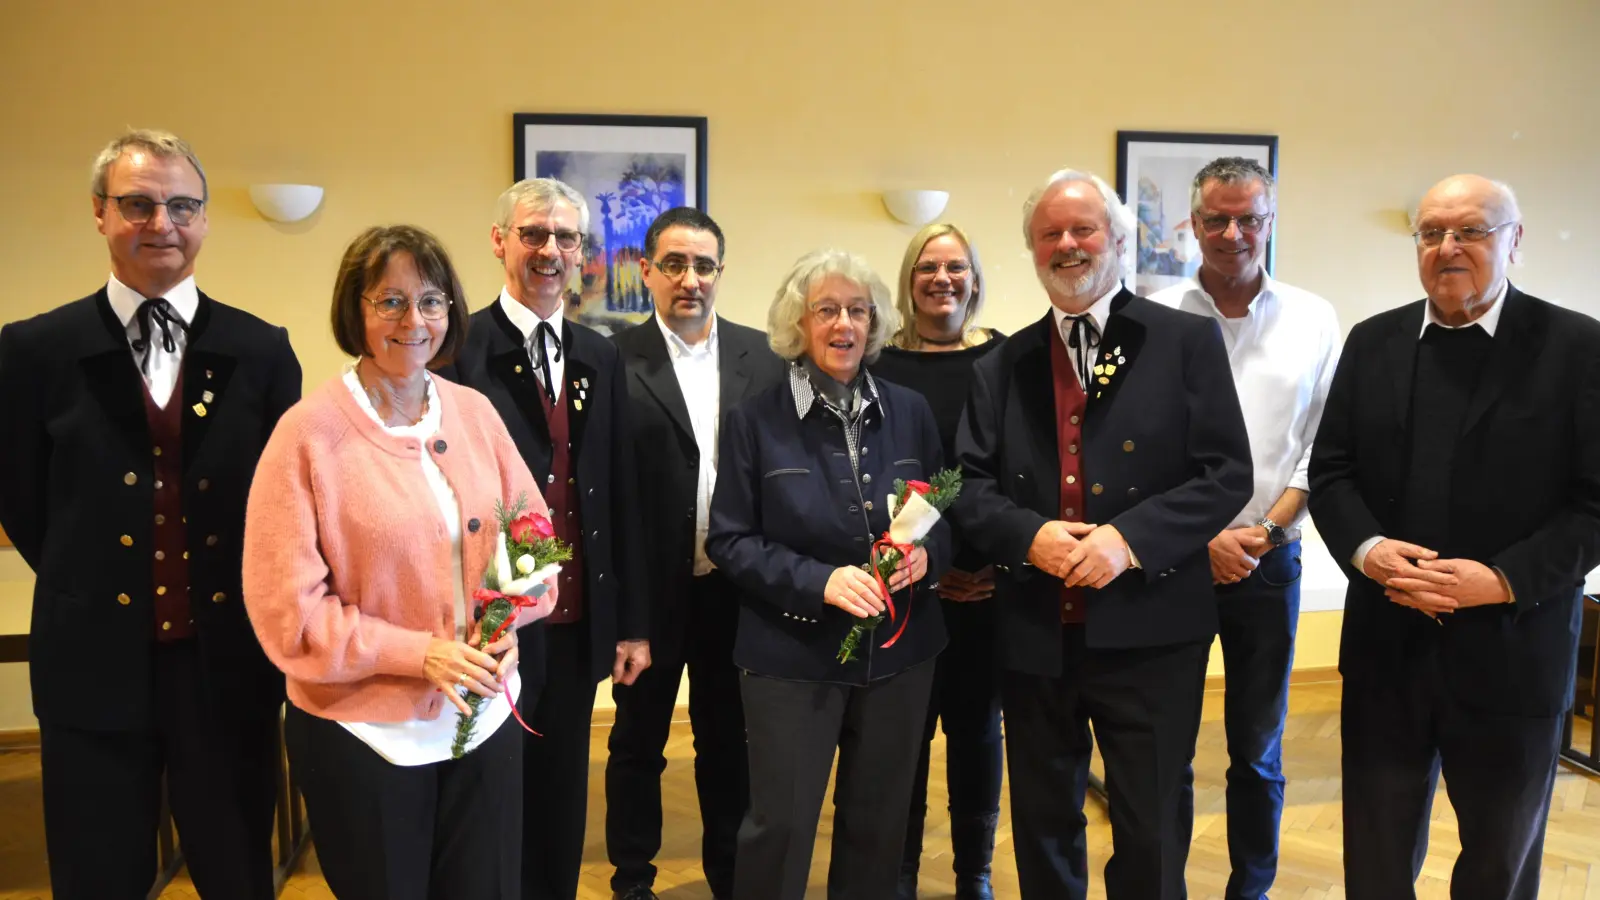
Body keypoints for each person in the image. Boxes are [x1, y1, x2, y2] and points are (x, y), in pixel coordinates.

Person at [0, 129, 301, 900]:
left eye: (181, 206)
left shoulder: (262, 351)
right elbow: (25, 503)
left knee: (238, 872)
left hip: (227, 664)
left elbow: (281, 511)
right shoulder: (33, 352)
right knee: (97, 875)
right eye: (137, 204)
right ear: (100, 214)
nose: (161, 223)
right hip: (89, 665)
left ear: (203, 220)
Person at [953, 168, 1253, 899]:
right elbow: (963, 484)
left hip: (1153, 630)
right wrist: (1028, 537)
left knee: (1150, 818)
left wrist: (1127, 541)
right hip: (1035, 634)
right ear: (1031, 250)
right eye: (1049, 234)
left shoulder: (1185, 342)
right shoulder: (1001, 363)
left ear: (1118, 240)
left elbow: (1225, 473)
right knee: (1043, 816)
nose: (1067, 245)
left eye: (1083, 229)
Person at [1308, 174, 1600, 900]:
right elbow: (1333, 472)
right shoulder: (1373, 340)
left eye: (1470, 231)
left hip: (1514, 649)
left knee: (1499, 863)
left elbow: (1595, 504)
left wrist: (1501, 580)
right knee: (1373, 861)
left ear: (1515, 240)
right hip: (1387, 647)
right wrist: (1370, 552)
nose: (1447, 248)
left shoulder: (1578, 347)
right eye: (1431, 233)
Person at [242, 225, 556, 900]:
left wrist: (504, 624)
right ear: (354, 310)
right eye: (391, 302)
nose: (414, 321)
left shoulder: (473, 412)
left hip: (485, 720)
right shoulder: (306, 434)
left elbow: (534, 538)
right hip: (366, 735)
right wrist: (422, 655)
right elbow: (287, 614)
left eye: (432, 301)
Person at [705, 249, 950, 900]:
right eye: (827, 310)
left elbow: (941, 513)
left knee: (879, 825)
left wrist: (928, 560)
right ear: (799, 323)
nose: (844, 324)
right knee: (780, 828)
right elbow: (729, 539)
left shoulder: (911, 410)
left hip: (901, 656)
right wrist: (820, 581)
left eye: (858, 310)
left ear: (875, 322)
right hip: (790, 656)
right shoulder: (754, 420)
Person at [441, 177, 649, 900]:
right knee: (487, 798)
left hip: (572, 619)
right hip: (487, 625)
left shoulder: (602, 355)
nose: (551, 250)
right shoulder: (458, 349)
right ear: (500, 241)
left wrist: (631, 625)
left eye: (566, 237)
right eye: (534, 234)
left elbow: (618, 492)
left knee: (561, 799)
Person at [1148, 157, 1341, 900]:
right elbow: (1138, 447)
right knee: (1164, 749)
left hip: (1270, 562)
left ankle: (1250, 890)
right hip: (1169, 565)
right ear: (1191, 225)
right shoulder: (1154, 312)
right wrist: (1200, 538)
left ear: (1269, 221)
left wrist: (1263, 532)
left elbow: (1322, 447)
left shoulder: (1314, 317)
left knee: (1257, 751)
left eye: (1249, 218)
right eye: (1216, 219)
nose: (1233, 233)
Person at [604, 207, 786, 900]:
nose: (690, 279)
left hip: (736, 589)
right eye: (674, 263)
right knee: (637, 743)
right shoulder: (612, 360)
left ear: (720, 273)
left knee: (726, 741)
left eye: (704, 265)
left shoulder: (764, 357)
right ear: (646, 270)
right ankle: (631, 880)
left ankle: (730, 879)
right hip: (649, 591)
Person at [871, 222, 1005, 900]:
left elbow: (1018, 474)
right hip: (901, 590)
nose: (942, 279)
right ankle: (898, 874)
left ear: (975, 280)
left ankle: (972, 875)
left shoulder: (1005, 360)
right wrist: (922, 563)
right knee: (904, 739)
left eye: (956, 267)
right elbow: (866, 477)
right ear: (908, 281)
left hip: (987, 589)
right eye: (928, 267)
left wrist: (987, 567)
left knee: (979, 732)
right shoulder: (875, 363)